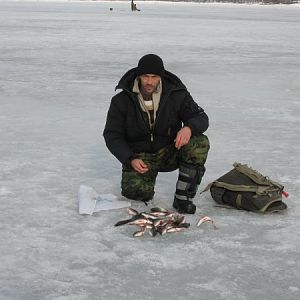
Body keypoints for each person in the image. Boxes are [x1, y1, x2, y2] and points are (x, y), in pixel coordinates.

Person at [103, 54, 209, 214]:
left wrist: (188, 128)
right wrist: (130, 158)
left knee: (198, 142)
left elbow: (200, 117)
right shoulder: (121, 100)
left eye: (154, 77)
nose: (150, 82)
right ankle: (143, 181)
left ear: (161, 76)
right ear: (139, 76)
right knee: (136, 194)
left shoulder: (176, 94)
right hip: (140, 156)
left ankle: (183, 198)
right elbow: (112, 135)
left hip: (170, 150)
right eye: (145, 76)